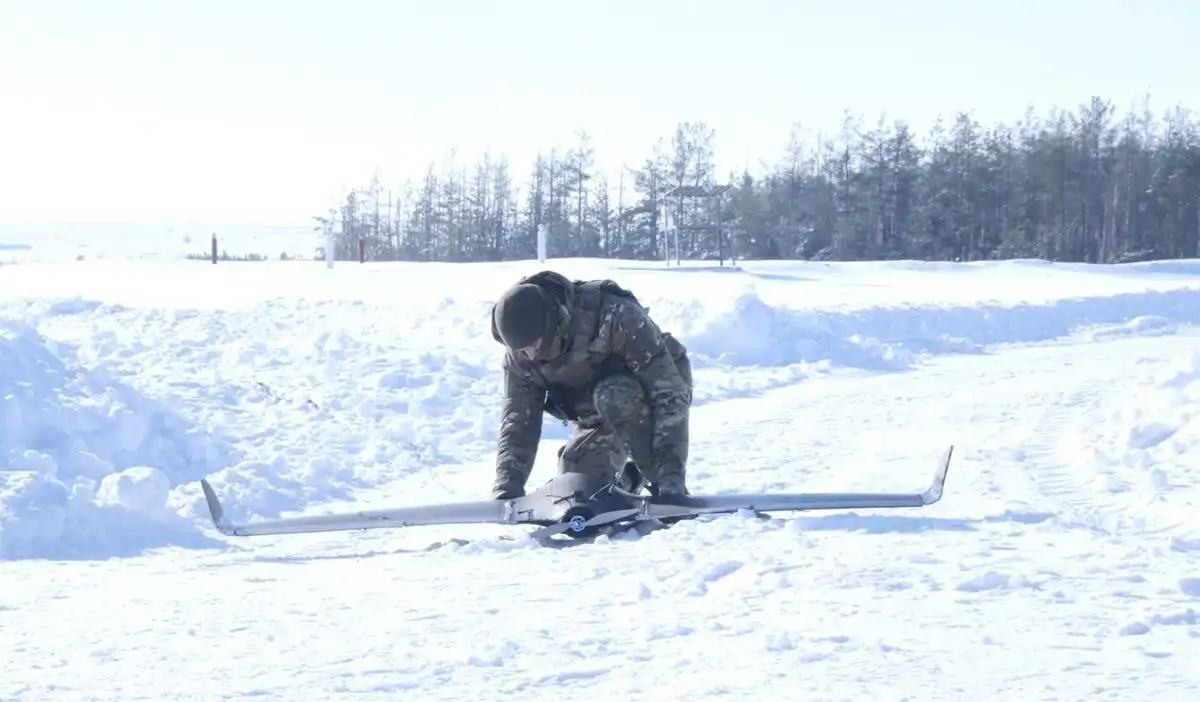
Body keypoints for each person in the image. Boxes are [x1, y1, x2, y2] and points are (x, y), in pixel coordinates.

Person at [488, 269, 693, 501]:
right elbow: (518, 422)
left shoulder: (616, 317)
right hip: (596, 412)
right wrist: (507, 487)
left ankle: (653, 474)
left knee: (613, 395)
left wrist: (669, 480)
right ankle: (629, 480)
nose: (530, 355)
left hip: (657, 388)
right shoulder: (520, 354)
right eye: (522, 350)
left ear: (554, 323)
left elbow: (668, 392)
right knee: (580, 495)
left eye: (534, 345)